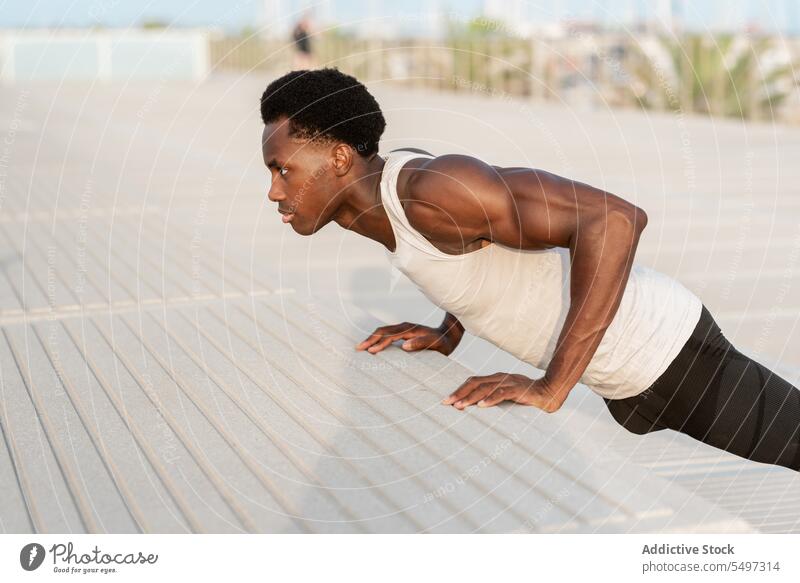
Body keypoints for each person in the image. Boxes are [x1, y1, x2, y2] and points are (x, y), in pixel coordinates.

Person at [259, 67, 800, 472]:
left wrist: (553, 386)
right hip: (623, 380)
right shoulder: (381, 206)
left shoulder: (431, 189)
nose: (274, 190)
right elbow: (472, 255)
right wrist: (448, 331)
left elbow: (614, 220)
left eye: (284, 169)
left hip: (670, 352)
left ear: (337, 158)